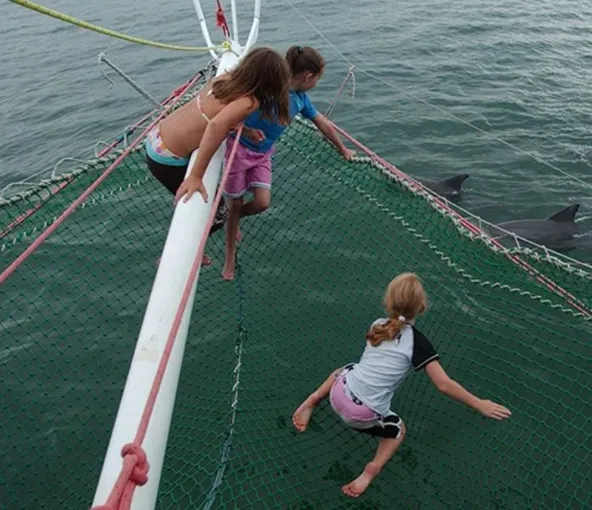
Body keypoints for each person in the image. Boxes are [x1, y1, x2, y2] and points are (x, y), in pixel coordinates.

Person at [291, 273, 511, 498]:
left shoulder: (378, 324)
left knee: (345, 369)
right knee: (398, 430)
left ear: (388, 301)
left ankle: (311, 401)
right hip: (359, 415)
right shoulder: (419, 343)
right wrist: (479, 403)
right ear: (422, 307)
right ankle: (371, 470)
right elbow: (443, 384)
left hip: (337, 394)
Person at [143, 46, 290, 265]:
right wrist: (195, 175)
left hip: (157, 137)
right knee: (219, 213)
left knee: (213, 208)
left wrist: (247, 131)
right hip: (168, 158)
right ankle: (179, 255)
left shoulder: (226, 78)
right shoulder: (250, 101)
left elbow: (218, 114)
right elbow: (215, 126)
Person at [219, 45, 355, 280]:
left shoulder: (301, 100)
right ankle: (229, 256)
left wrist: (343, 149)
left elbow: (322, 123)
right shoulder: (268, 89)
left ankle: (232, 216)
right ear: (308, 76)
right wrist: (248, 131)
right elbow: (229, 115)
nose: (315, 84)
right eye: (317, 80)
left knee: (262, 203)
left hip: (262, 156)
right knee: (237, 201)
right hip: (238, 152)